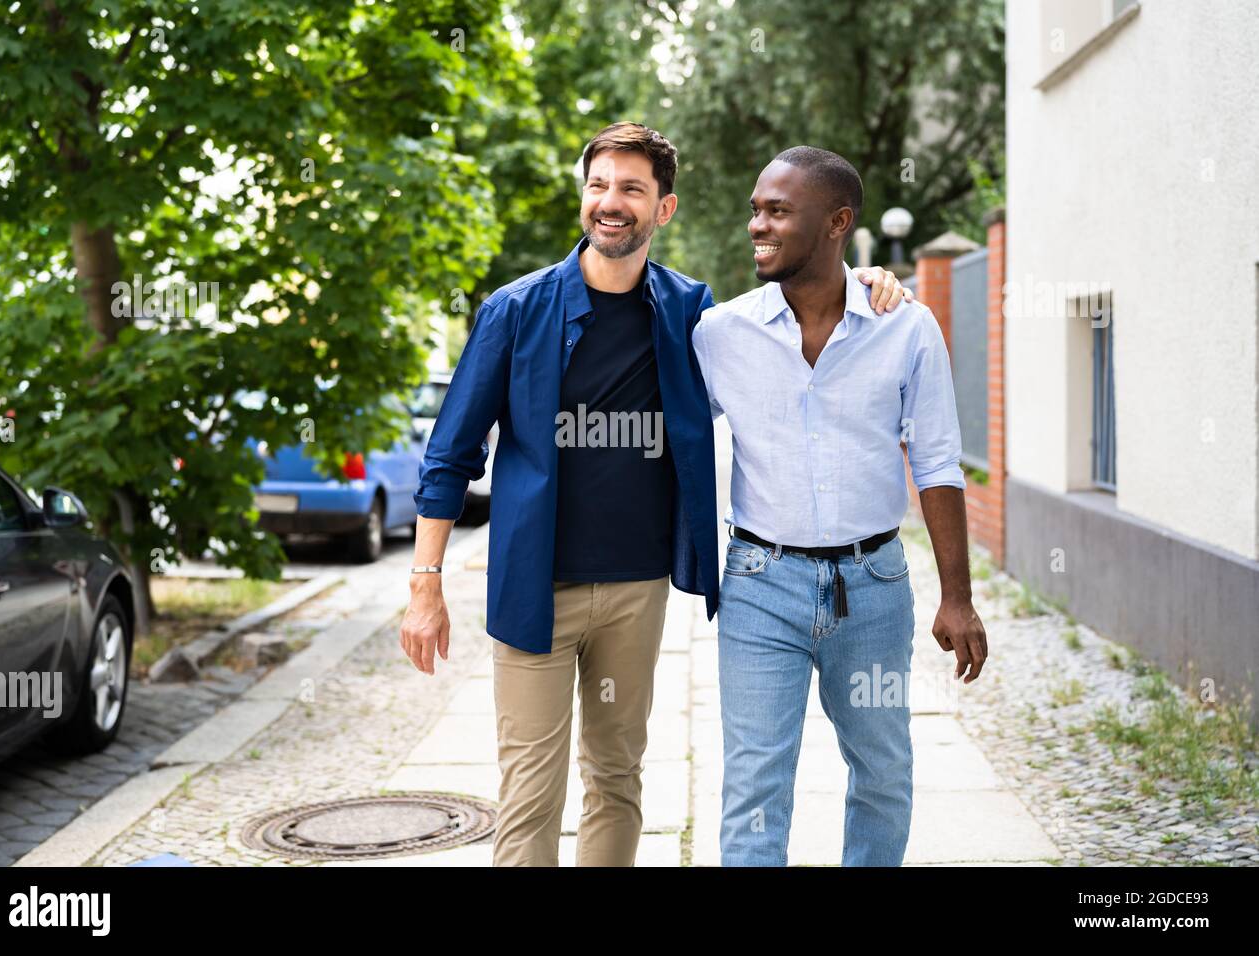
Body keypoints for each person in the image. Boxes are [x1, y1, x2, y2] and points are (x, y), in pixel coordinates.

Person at [400, 124, 909, 866]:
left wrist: (863, 282)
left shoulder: (688, 313)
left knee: (617, 778)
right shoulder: (515, 312)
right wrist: (425, 584)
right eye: (599, 185)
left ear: (662, 210)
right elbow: (449, 456)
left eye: (631, 189)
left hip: (637, 592)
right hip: (531, 586)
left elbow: (786, 322)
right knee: (530, 793)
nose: (611, 202)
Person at [691, 146, 989, 867]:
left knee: (883, 772)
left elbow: (938, 462)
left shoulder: (906, 327)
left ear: (837, 222)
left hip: (874, 587)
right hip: (761, 585)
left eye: (777, 211)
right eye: (756, 209)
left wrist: (959, 598)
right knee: (756, 786)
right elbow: (669, 438)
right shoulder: (720, 334)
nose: (757, 224)